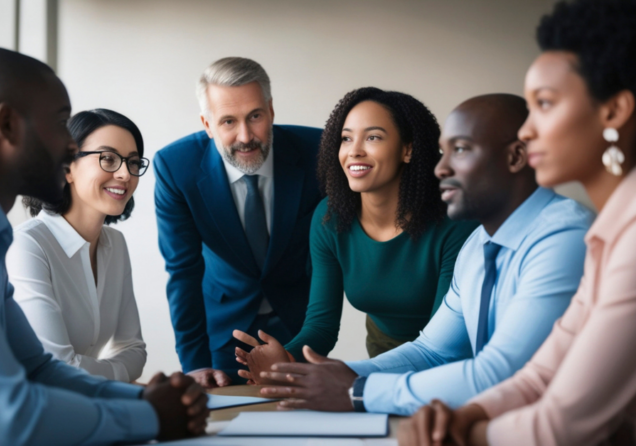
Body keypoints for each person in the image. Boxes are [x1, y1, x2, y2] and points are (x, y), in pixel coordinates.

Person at [0, 48, 207, 445]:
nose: (70, 148)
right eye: (59, 123)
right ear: (7, 124)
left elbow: (36, 369)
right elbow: (1, 421)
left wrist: (147, 398)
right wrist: (148, 416)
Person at [399, 1, 636, 445]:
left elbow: (562, 423)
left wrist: (459, 435)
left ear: (613, 112)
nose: (528, 130)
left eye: (546, 104)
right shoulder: (609, 230)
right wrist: (467, 415)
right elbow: (539, 378)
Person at [250, 93, 594, 416]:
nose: (441, 168)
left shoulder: (565, 237)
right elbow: (433, 350)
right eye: (444, 152)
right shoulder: (479, 246)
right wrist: (318, 374)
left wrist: (356, 391)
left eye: (460, 150)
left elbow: (499, 371)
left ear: (516, 157)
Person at [232, 87, 478, 384]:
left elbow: (442, 345)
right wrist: (285, 359)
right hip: (383, 355)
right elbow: (321, 325)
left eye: (373, 137)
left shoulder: (455, 221)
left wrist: (348, 377)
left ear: (408, 149)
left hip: (456, 361)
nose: (354, 151)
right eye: (346, 138)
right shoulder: (329, 219)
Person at [154, 57, 323, 387]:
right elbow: (183, 270)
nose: (245, 136)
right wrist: (195, 363)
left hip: (302, 328)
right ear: (207, 124)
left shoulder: (318, 151)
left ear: (271, 111)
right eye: (228, 121)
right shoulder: (176, 167)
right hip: (223, 333)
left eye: (255, 116)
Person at [7, 109, 149, 383]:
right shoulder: (27, 245)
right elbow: (56, 367)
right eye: (108, 159)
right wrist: (118, 376)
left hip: (83, 402)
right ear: (67, 167)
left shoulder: (115, 244)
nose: (124, 174)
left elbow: (134, 349)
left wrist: (96, 374)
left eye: (133, 162)